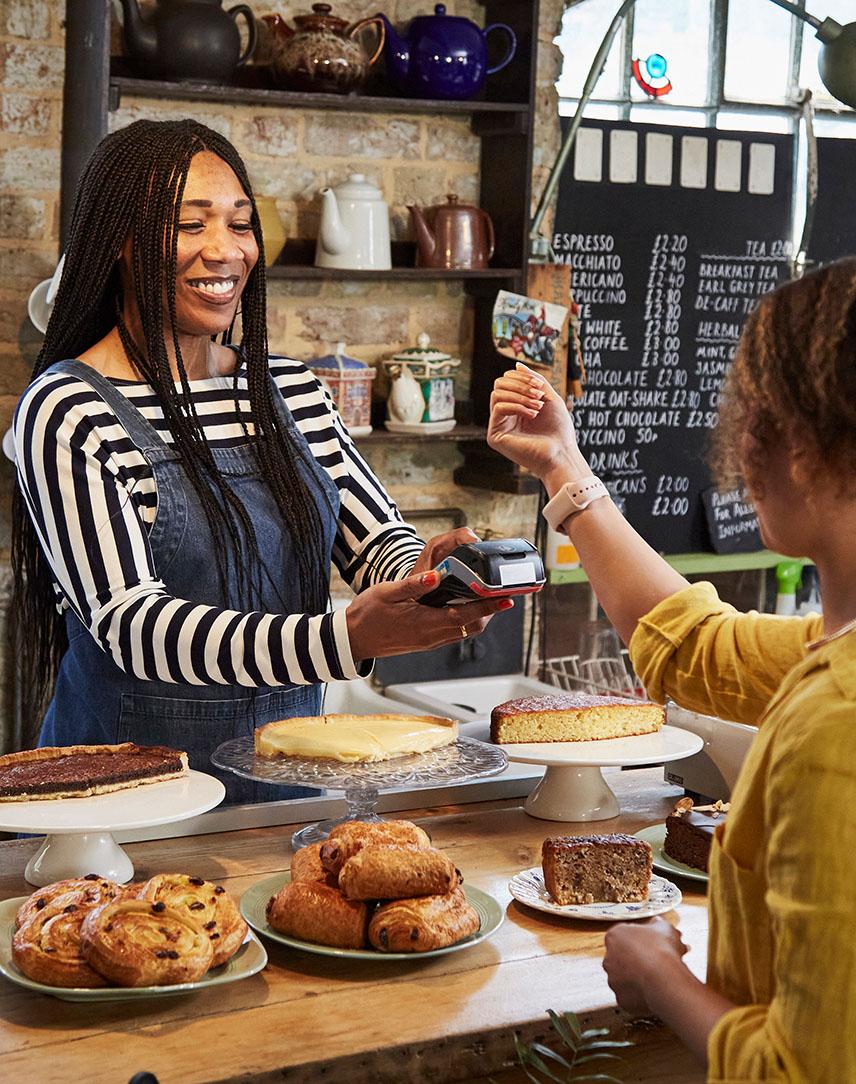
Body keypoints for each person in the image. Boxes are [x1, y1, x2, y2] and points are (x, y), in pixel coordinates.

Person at [11, 118, 510, 803]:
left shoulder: (289, 389)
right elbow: (132, 626)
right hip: (124, 802)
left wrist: (427, 577)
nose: (224, 251)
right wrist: (344, 636)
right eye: (190, 226)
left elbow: (374, 541)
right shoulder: (68, 407)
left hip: (287, 784)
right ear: (122, 243)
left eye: (239, 224)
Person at [487, 260, 856, 1082]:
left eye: (751, 405)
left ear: (801, 442)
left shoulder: (837, 724)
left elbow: (805, 1071)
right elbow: (692, 647)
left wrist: (658, 976)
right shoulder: (829, 657)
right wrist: (563, 469)